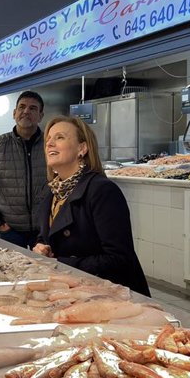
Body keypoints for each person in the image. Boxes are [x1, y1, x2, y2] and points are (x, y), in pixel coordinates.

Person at [33, 116, 151, 296]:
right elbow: (47, 236)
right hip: (71, 291)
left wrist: (60, 262)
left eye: (59, 137)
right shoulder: (51, 191)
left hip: (110, 297)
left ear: (82, 148)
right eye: (48, 139)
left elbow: (119, 259)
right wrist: (41, 246)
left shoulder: (102, 191)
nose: (49, 144)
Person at [0, 91, 47, 248]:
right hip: (11, 231)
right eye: (22, 107)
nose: (26, 111)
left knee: (46, 271)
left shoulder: (49, 144)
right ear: (14, 113)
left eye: (33, 108)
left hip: (44, 231)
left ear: (40, 115)